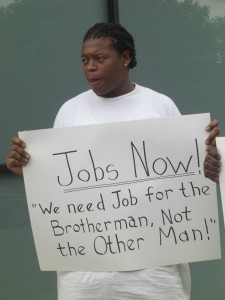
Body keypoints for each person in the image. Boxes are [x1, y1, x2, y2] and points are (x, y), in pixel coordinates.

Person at [6, 22, 220, 300]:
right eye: (84, 60)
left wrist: (213, 161)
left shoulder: (159, 106)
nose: (89, 67)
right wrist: (29, 172)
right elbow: (61, 186)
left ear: (126, 58)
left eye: (99, 58)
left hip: (153, 274)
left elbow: (189, 179)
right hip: (84, 276)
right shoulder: (69, 111)